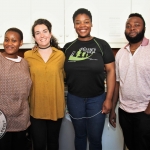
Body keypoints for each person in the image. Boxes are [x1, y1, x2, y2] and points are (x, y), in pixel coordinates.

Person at [63, 8, 115, 150]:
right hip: (75, 99)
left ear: (91, 24)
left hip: (97, 99)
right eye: (78, 22)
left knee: (95, 139)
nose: (82, 25)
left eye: (86, 22)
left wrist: (109, 98)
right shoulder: (67, 48)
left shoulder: (102, 45)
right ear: (74, 25)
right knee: (79, 136)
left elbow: (111, 71)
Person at [109, 13, 150, 150]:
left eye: (136, 25)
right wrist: (113, 109)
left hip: (145, 111)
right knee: (130, 145)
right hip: (124, 111)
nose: (132, 28)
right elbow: (118, 83)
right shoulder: (121, 53)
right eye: (128, 26)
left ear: (144, 28)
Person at [24, 19, 65, 150]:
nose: (42, 35)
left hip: (55, 108)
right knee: (39, 145)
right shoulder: (28, 55)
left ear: (50, 33)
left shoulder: (60, 55)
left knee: (53, 144)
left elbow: (65, 76)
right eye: (37, 33)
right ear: (34, 37)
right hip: (36, 109)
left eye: (45, 31)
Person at [0, 28, 32, 150]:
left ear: (21, 43)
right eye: (6, 40)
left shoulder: (24, 63)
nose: (9, 43)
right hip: (2, 119)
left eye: (14, 40)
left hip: (21, 118)